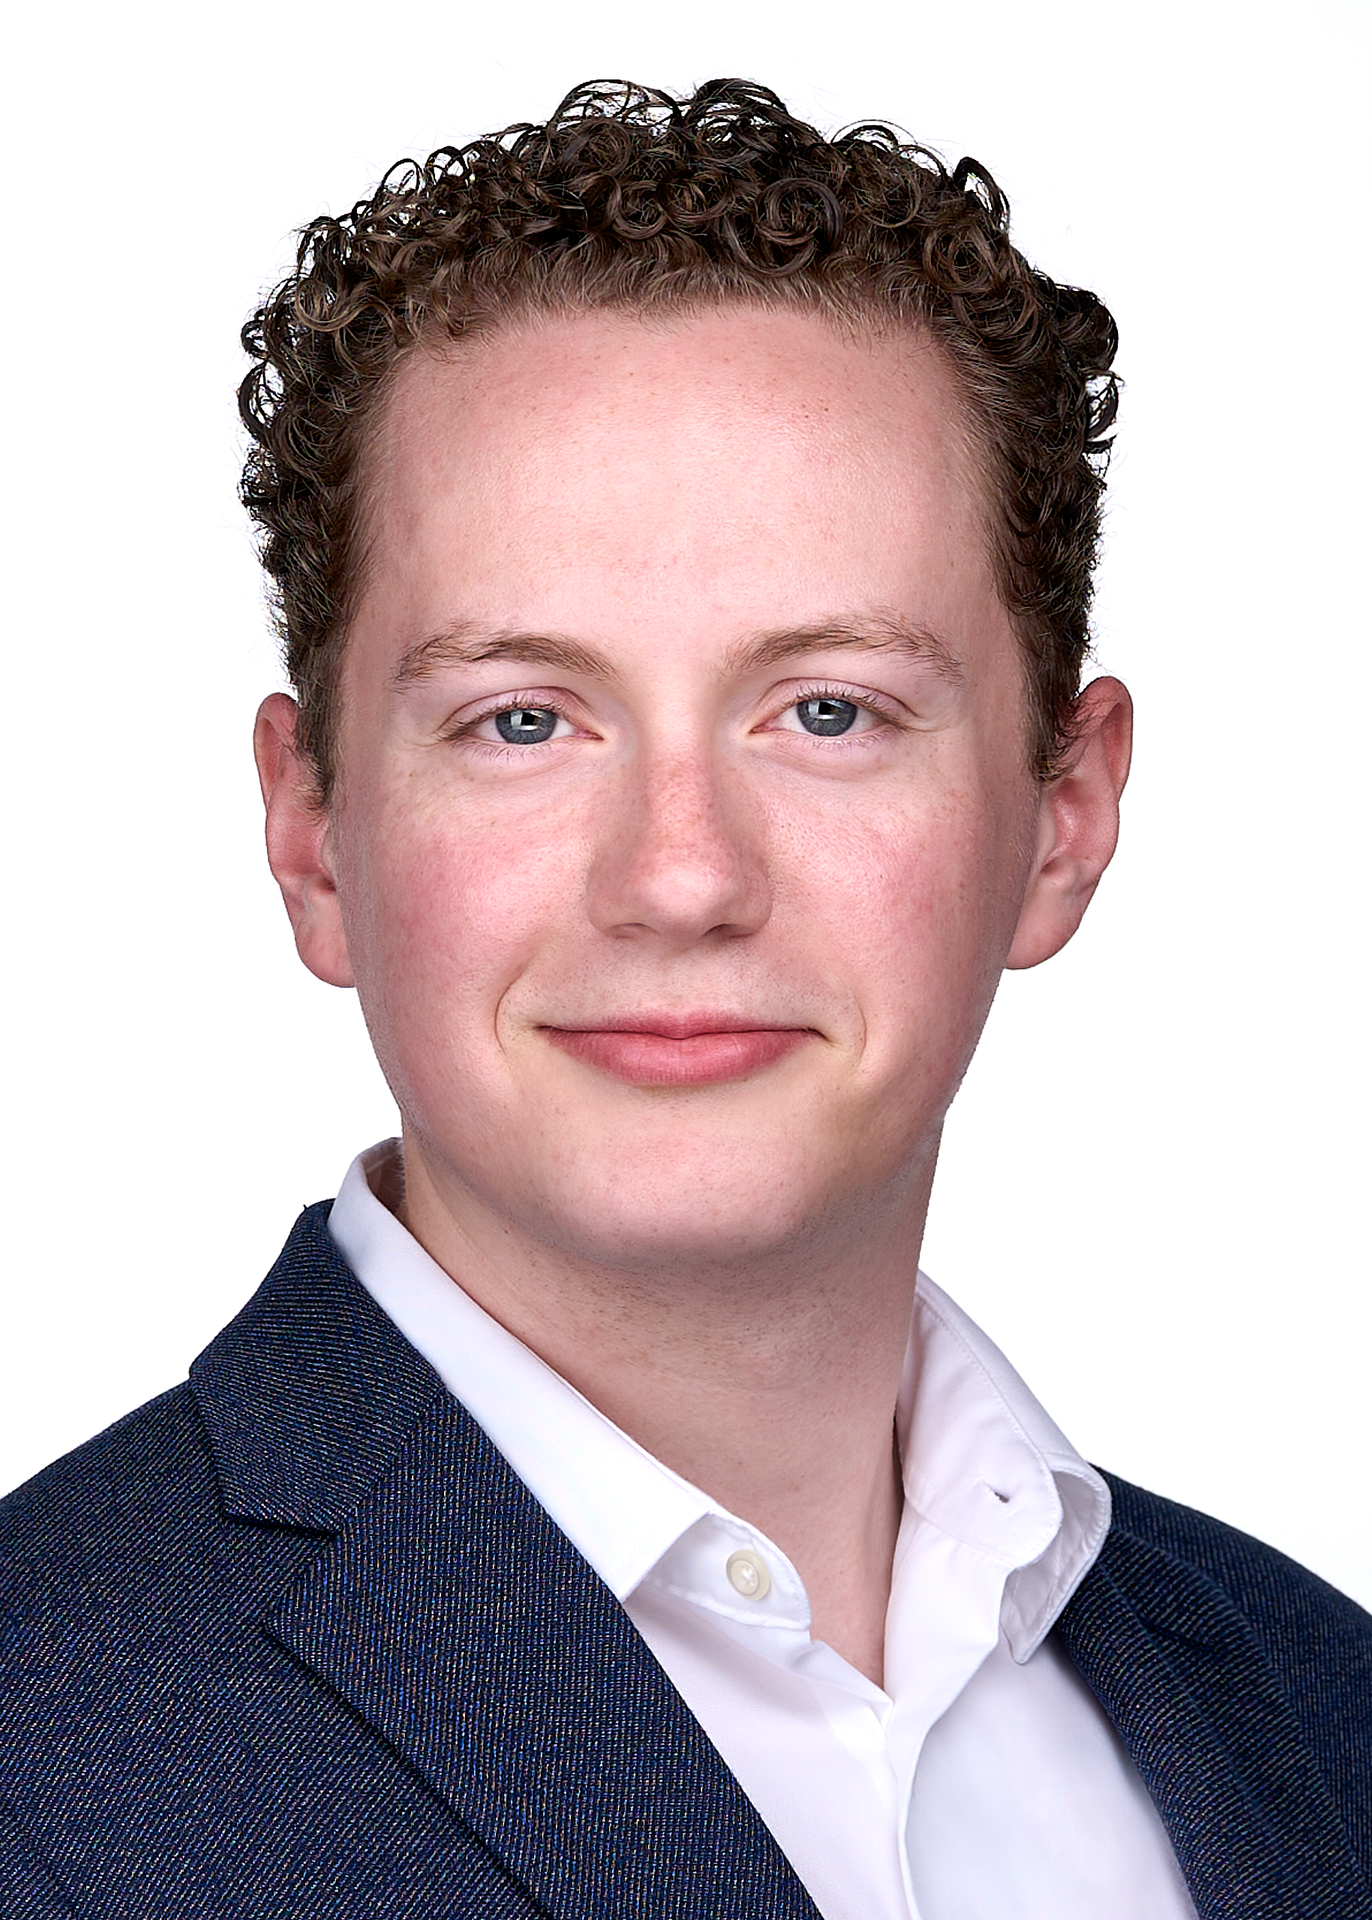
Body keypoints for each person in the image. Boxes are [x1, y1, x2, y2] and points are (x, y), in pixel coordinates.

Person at [0, 76, 1366, 1920]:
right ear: (316, 833)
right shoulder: (41, 1748)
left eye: (827, 711)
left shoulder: (1316, 1714)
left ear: (1061, 815)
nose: (680, 876)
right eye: (522, 721)